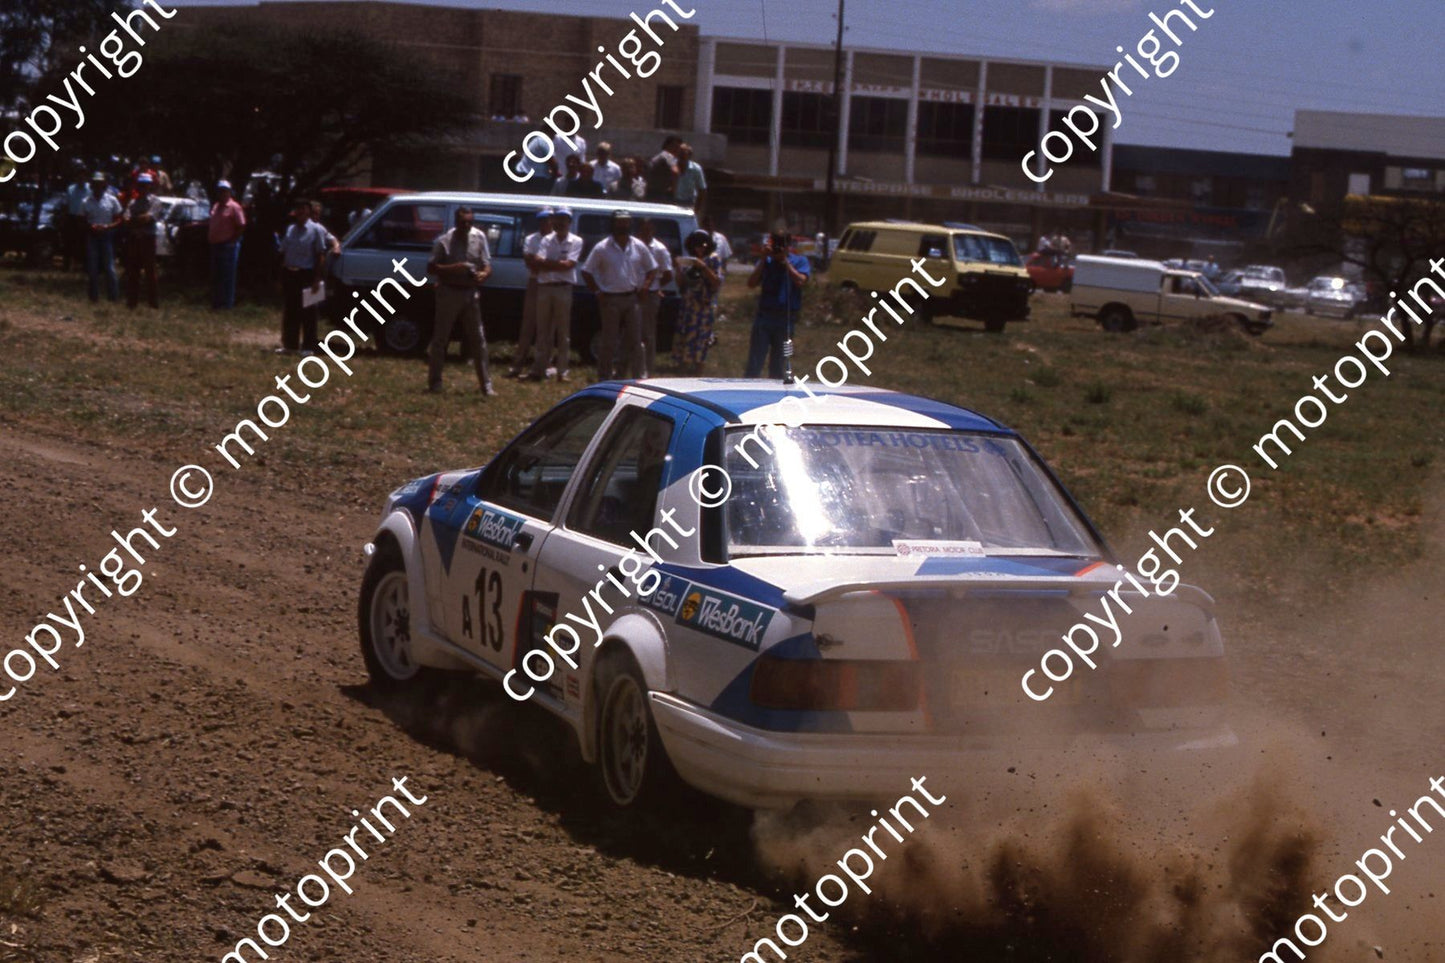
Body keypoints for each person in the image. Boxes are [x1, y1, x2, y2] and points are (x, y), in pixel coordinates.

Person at [427, 206, 495, 396]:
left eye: (470, 222)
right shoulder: (444, 240)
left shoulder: (479, 237)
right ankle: (435, 382)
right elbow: (431, 267)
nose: (466, 226)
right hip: (449, 292)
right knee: (441, 339)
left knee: (478, 339)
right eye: (463, 222)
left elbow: (487, 264)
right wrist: (454, 268)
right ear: (456, 222)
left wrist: (484, 274)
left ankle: (486, 385)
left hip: (470, 293)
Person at [581, 210, 656, 381]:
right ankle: (604, 377)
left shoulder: (638, 246)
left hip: (632, 298)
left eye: (626, 222)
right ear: (613, 224)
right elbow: (586, 271)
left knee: (636, 341)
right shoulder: (602, 248)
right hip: (610, 299)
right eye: (619, 222)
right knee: (609, 341)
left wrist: (645, 286)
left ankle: (638, 377)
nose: (623, 225)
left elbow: (652, 268)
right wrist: (597, 291)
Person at [744, 232, 810, 379]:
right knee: (755, 360)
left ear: (788, 246)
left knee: (780, 362)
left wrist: (785, 262)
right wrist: (762, 259)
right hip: (765, 315)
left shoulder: (799, 261)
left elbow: (801, 281)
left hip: (785, 318)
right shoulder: (766, 262)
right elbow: (751, 283)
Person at [529, 207, 582, 382]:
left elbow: (569, 265)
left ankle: (562, 371)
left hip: (563, 288)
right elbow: (537, 261)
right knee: (543, 330)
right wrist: (558, 264)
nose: (561, 222)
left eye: (564, 219)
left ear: (569, 222)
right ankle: (539, 369)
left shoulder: (576, 241)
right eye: (558, 219)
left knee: (563, 332)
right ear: (553, 221)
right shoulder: (546, 239)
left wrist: (548, 264)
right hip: (545, 287)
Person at [276, 199, 328, 354]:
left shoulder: (316, 230)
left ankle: (308, 346)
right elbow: (283, 251)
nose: (300, 212)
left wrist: (317, 279)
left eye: (303, 209)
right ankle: (290, 345)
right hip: (290, 273)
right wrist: (280, 275)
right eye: (298, 209)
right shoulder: (290, 229)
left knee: (309, 313)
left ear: (308, 211)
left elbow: (320, 255)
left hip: (307, 274)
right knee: (291, 311)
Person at [671, 229, 721, 375]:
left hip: (703, 309)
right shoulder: (690, 261)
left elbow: (716, 282)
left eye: (703, 245)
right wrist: (678, 269)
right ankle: (683, 372)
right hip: (688, 307)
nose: (700, 248)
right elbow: (681, 284)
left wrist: (703, 267)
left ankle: (697, 373)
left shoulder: (713, 259)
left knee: (701, 343)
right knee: (684, 340)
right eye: (697, 245)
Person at [510, 208, 552, 378]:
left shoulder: (556, 239)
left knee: (548, 326)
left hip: (550, 282)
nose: (544, 223)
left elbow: (559, 264)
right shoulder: (531, 239)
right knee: (528, 325)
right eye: (541, 220)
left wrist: (544, 263)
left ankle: (544, 365)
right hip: (535, 282)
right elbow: (531, 263)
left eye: (547, 220)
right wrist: (549, 264)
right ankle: (518, 364)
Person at [634, 217, 673, 378]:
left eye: (648, 230)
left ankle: (648, 371)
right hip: (632, 293)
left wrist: (655, 287)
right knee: (631, 333)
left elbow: (668, 273)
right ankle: (632, 368)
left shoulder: (659, 249)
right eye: (642, 230)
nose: (645, 233)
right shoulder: (633, 246)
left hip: (650, 296)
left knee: (648, 334)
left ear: (653, 231)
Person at [81, 172, 123, 303]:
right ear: (92, 185)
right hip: (92, 236)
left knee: (110, 268)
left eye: (100, 183)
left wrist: (108, 227)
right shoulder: (86, 201)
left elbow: (119, 219)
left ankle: (113, 297)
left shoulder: (112, 200)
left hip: (107, 235)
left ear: (104, 184)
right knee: (92, 268)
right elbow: (82, 221)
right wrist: (90, 227)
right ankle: (93, 297)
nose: (98, 186)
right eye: (95, 183)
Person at [123, 173, 162, 310]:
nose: (143, 187)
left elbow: (149, 218)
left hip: (148, 239)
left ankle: (153, 304)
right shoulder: (133, 202)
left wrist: (135, 220)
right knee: (133, 271)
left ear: (150, 186)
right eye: (141, 185)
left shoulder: (155, 201)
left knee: (150, 272)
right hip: (135, 239)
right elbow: (126, 219)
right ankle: (131, 303)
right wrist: (138, 220)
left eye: (146, 185)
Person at [208, 180, 246, 310]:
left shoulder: (234, 207)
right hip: (215, 245)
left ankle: (227, 304)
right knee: (216, 275)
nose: (222, 193)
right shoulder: (216, 206)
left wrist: (232, 240)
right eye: (220, 190)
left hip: (228, 246)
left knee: (227, 276)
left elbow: (241, 225)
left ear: (229, 192)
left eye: (225, 190)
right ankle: (216, 303)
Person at [63, 161, 89, 271]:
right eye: (79, 174)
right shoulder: (70, 189)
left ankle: (84, 266)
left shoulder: (90, 188)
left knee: (84, 243)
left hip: (84, 218)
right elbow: (67, 204)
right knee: (69, 242)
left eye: (83, 174)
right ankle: (67, 266)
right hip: (72, 217)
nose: (81, 176)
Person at [645, 136, 682, 202]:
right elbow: (675, 172)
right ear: (668, 145)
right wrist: (674, 191)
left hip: (650, 192)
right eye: (676, 147)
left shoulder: (657, 157)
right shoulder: (668, 156)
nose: (678, 150)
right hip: (661, 194)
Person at [674, 143, 707, 212]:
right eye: (679, 154)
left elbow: (702, 190)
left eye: (683, 154)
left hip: (689, 203)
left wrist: (696, 210)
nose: (681, 156)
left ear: (689, 156)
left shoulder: (696, 169)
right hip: (672, 202)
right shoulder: (671, 166)